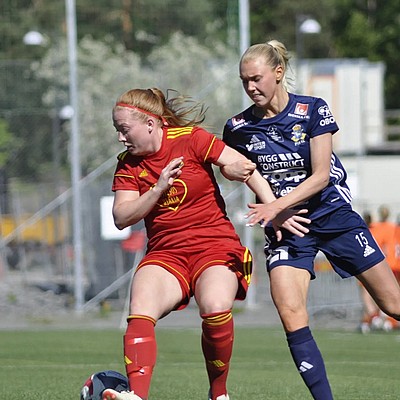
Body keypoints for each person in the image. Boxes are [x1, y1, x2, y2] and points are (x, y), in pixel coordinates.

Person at [102, 88, 310, 400]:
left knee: (215, 306)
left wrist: (273, 207)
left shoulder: (191, 139)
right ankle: (137, 396)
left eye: (124, 129)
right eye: (117, 130)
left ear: (150, 124)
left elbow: (243, 167)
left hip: (215, 246)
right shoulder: (128, 165)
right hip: (166, 254)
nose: (120, 138)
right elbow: (121, 217)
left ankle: (218, 393)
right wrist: (158, 188)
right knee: (140, 308)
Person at [221, 40, 400, 399]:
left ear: (278, 73)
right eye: (244, 81)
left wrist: (275, 206)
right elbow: (237, 168)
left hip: (333, 215)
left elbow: (320, 176)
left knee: (393, 305)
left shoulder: (312, 110)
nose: (250, 87)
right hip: (287, 227)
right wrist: (241, 179)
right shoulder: (238, 128)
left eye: (256, 78)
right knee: (290, 313)